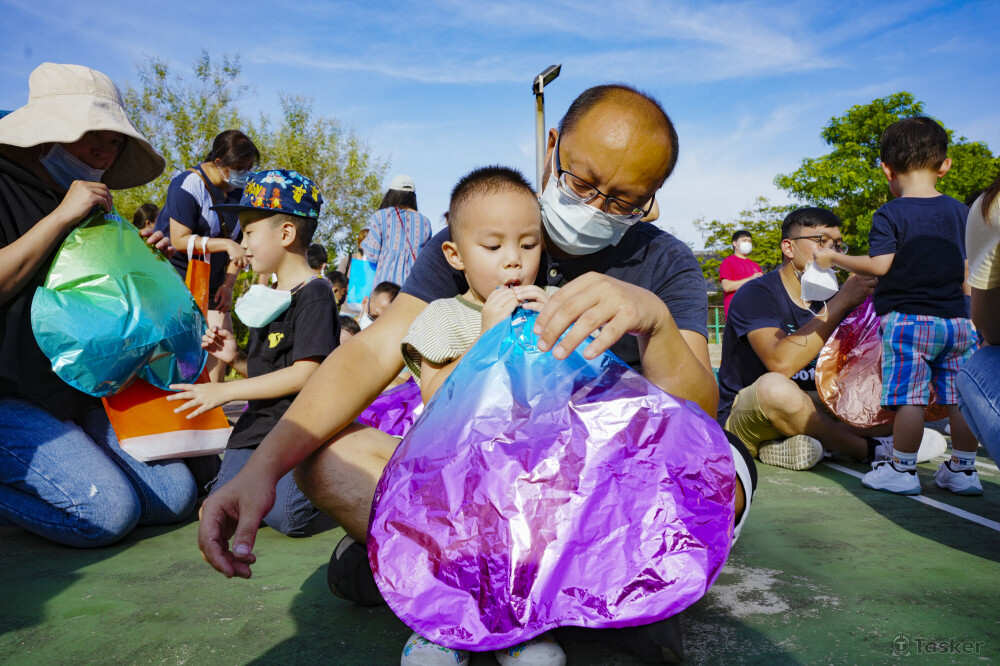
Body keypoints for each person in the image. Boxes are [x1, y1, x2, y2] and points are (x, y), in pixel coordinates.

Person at [199, 85, 755, 663]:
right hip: (488, 481)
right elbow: (369, 353)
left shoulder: (665, 263)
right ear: (551, 148)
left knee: (725, 486)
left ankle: (435, 571)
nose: (594, 207)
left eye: (622, 201)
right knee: (326, 458)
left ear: (652, 200)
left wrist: (657, 326)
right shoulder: (475, 235)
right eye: (583, 183)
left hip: (604, 485)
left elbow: (697, 418)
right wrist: (263, 467)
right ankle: (572, 603)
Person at [0, 62, 196, 547]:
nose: (104, 152)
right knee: (106, 512)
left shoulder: (92, 202)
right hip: (8, 395)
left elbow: (109, 307)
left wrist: (141, 263)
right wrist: (62, 216)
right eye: (90, 133)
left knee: (174, 497)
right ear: (46, 131)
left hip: (75, 387)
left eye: (115, 140)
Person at [395, 165, 564, 666]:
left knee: (527, 550)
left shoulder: (552, 307)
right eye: (492, 247)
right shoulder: (445, 317)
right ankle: (440, 628)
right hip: (455, 478)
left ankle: (521, 627)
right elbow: (436, 400)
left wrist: (554, 329)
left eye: (528, 245)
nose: (513, 260)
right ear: (455, 254)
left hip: (532, 474)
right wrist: (489, 340)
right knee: (453, 551)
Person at [169, 169, 339, 536]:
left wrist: (224, 390)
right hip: (254, 432)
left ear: (287, 234)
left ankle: (341, 482)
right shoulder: (269, 297)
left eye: (248, 231)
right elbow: (267, 375)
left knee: (287, 517)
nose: (240, 243)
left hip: (298, 433)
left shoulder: (315, 293)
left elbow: (305, 374)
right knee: (224, 508)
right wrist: (236, 359)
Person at [816, 117, 981, 495]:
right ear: (945, 165)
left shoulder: (890, 213)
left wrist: (833, 258)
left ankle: (903, 470)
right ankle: (964, 471)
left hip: (909, 323)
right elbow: (969, 270)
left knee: (911, 399)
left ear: (886, 169)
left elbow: (880, 266)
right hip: (957, 322)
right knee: (958, 399)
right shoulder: (962, 213)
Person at [155, 129, 260, 382]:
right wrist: (223, 244)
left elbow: (237, 245)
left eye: (249, 167)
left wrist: (228, 284)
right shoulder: (187, 185)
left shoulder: (239, 192)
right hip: (178, 284)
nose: (245, 173)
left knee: (221, 352)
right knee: (178, 356)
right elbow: (179, 239)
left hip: (213, 288)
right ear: (219, 162)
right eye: (239, 167)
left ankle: (214, 412)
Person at [958, 171, 1000, 463]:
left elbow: (992, 328)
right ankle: (963, 467)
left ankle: (902, 465)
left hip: (970, 313)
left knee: (978, 362)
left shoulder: (991, 206)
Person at [360, 174, 433, 288]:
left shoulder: (381, 216)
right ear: (413, 196)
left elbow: (372, 255)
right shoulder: (425, 222)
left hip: (385, 286)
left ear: (391, 194)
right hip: (414, 286)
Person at [719, 229, 763, 315]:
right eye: (744, 240)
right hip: (736, 314)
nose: (748, 243)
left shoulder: (755, 266)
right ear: (734, 243)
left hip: (755, 314)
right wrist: (750, 279)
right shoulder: (728, 262)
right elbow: (727, 287)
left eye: (749, 241)